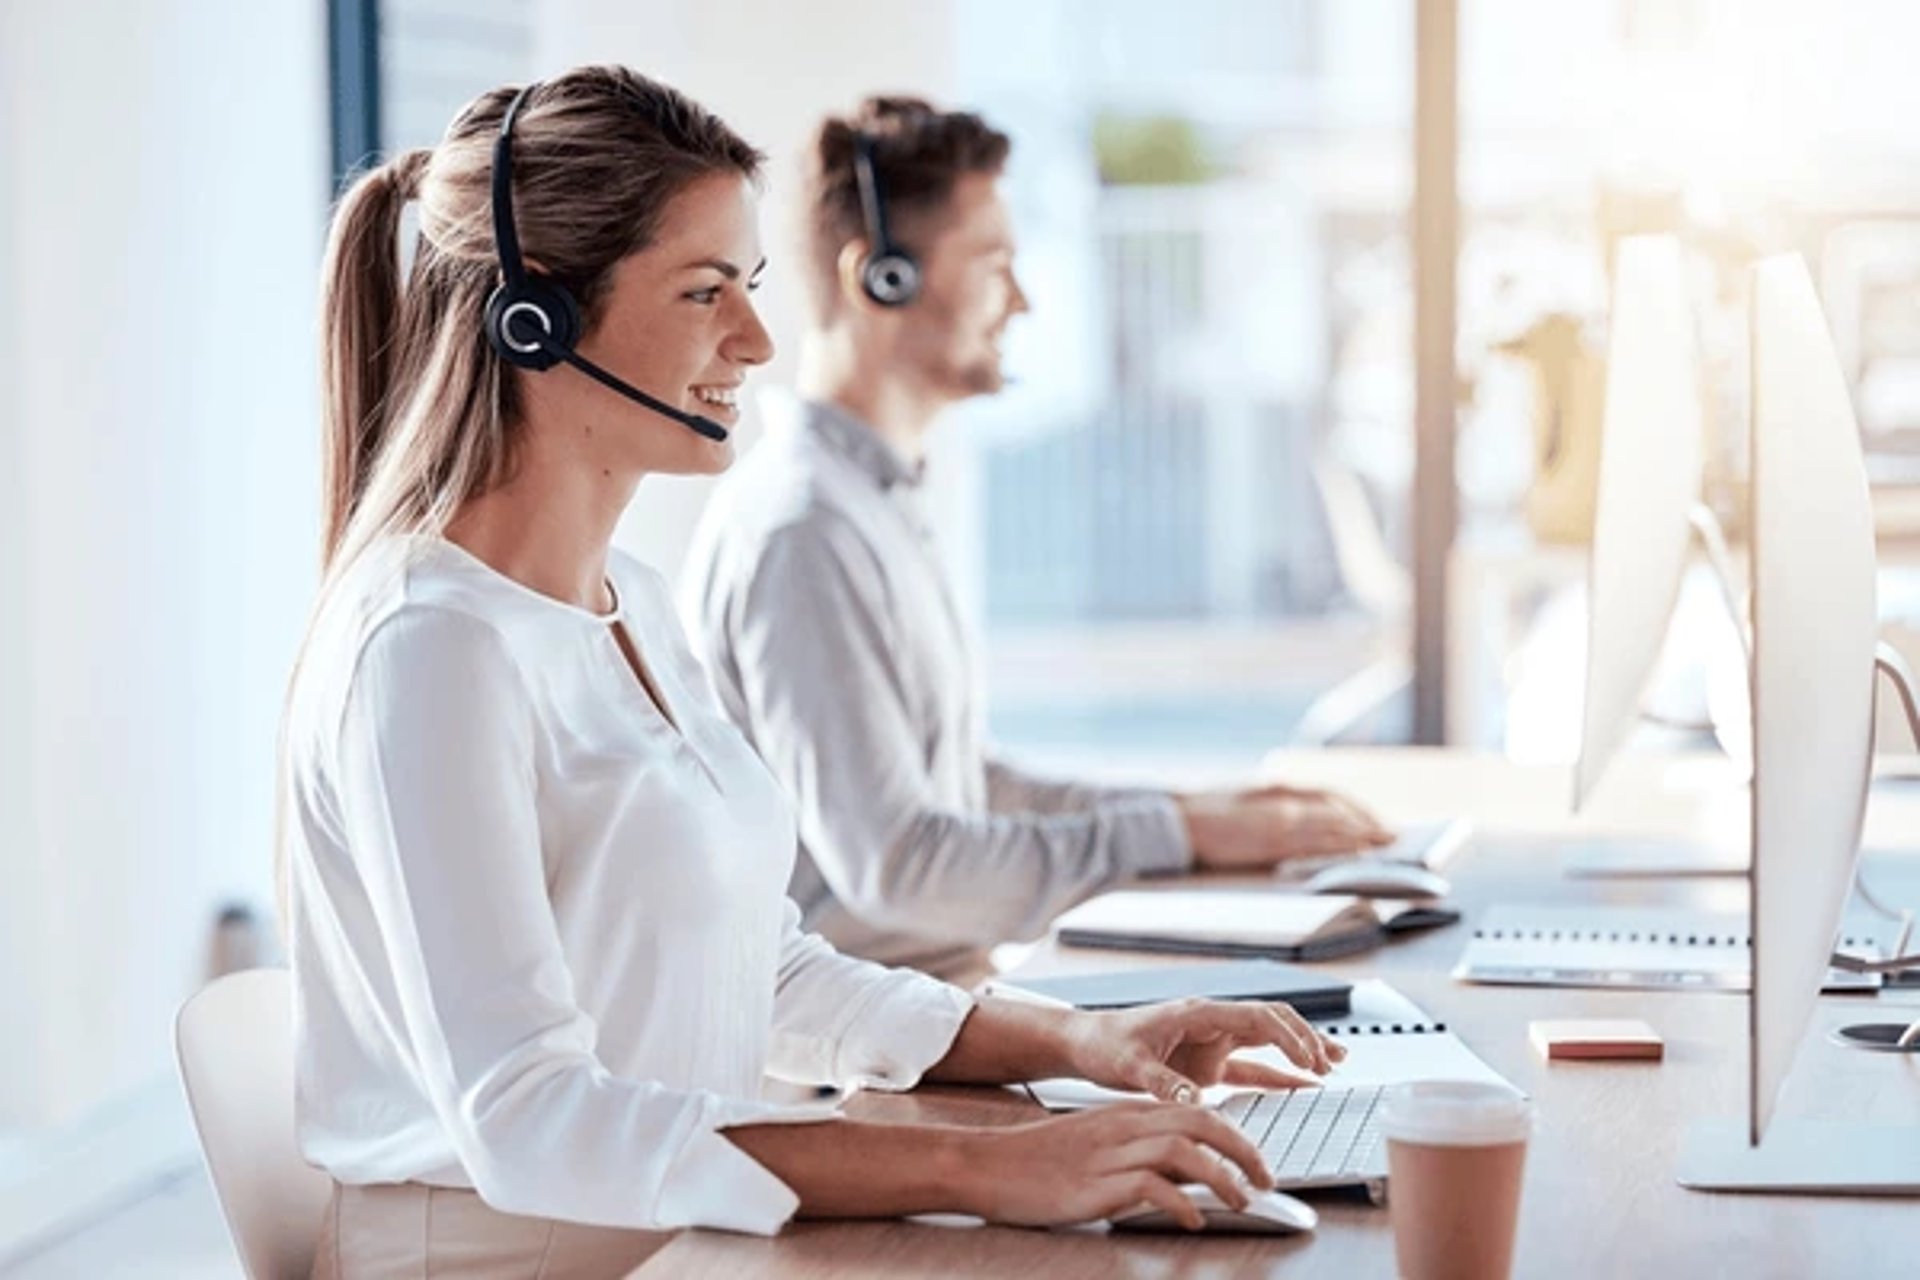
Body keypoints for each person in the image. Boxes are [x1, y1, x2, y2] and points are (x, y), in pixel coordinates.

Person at [281, 66, 1342, 1278]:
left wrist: (1085, 1041)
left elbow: (763, 961)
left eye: (752, 285)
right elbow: (530, 1115)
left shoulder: (634, 601)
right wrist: (979, 1166)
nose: (758, 340)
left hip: (691, 1231)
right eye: (703, 292)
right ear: (536, 322)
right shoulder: (428, 650)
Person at [680, 98, 1394, 981]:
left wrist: (1199, 811)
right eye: (993, 264)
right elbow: (898, 865)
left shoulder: (871, 502)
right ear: (882, 279)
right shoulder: (803, 533)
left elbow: (965, 787)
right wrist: (1181, 834)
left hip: (947, 1008)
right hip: (873, 1059)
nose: (1021, 300)